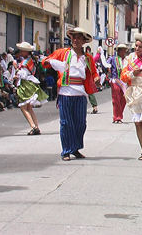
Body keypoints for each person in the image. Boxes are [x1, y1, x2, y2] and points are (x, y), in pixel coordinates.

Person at [42, 27, 99, 161]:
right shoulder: (63, 53)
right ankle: (66, 150)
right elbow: (45, 62)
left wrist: (96, 78)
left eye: (79, 38)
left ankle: (75, 148)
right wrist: (48, 61)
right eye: (73, 37)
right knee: (66, 122)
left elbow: (94, 72)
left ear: (84, 41)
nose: (75, 40)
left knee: (80, 123)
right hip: (65, 92)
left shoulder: (88, 58)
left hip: (80, 93)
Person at [16, 41, 49, 135]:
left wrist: (17, 72)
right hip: (32, 83)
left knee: (23, 107)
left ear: (26, 52)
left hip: (26, 85)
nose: (21, 53)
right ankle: (36, 126)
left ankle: (33, 126)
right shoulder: (32, 60)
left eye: (22, 51)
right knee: (30, 108)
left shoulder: (25, 62)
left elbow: (23, 75)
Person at [107, 43, 129, 123]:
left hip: (124, 81)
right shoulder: (113, 59)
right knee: (116, 99)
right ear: (118, 51)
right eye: (122, 51)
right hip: (115, 80)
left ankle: (119, 115)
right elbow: (106, 65)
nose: (123, 52)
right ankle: (117, 117)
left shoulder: (127, 60)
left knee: (124, 99)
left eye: (124, 51)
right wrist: (108, 69)